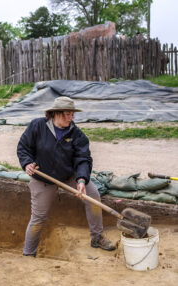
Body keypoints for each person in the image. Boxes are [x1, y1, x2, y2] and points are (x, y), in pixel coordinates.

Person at [17, 96, 116, 257]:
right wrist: (27, 162)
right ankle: (29, 253)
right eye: (66, 114)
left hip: (69, 175)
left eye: (72, 114)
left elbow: (83, 159)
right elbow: (23, 147)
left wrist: (81, 180)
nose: (70, 118)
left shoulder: (77, 134)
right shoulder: (38, 126)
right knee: (38, 217)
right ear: (55, 113)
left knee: (93, 197)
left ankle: (97, 238)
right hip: (43, 178)